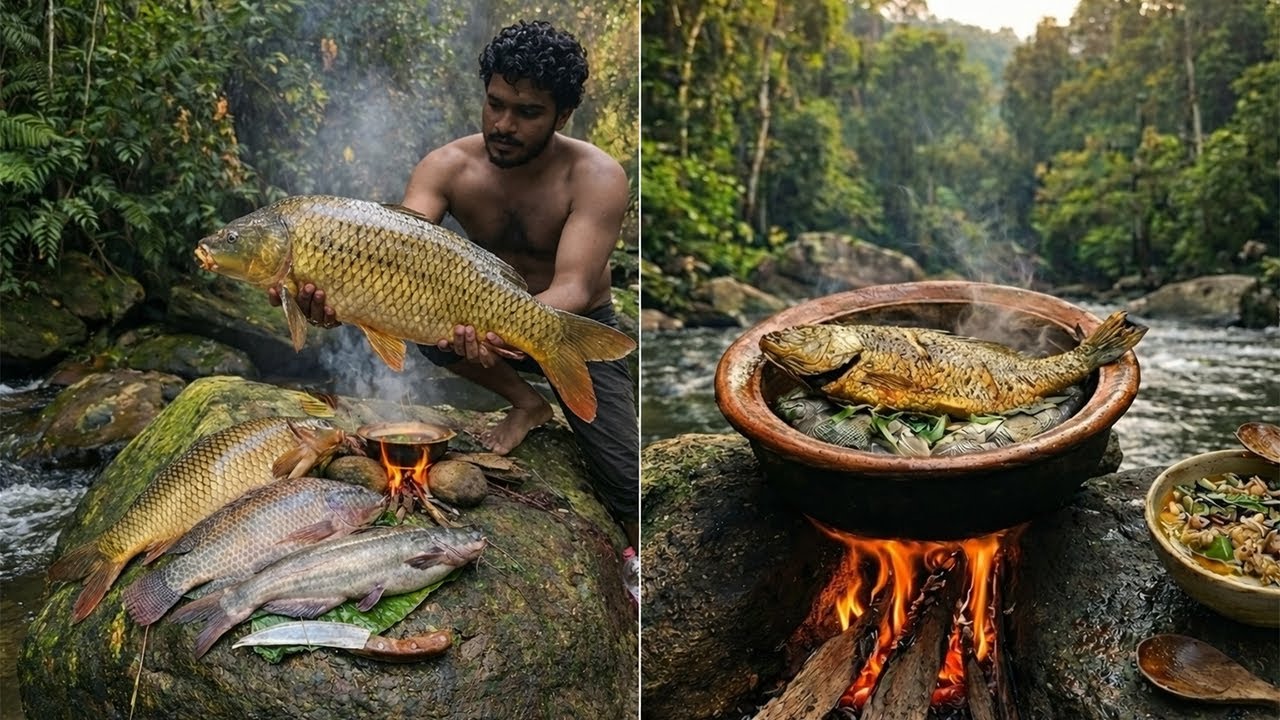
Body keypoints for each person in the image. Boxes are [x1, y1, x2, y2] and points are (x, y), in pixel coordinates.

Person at [273, 21, 639, 557]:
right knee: (424, 322)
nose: (504, 124)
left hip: (574, 325)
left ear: (562, 116)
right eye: (495, 104)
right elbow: (396, 257)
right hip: (477, 320)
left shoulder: (596, 176)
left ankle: (630, 563)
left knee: (625, 478)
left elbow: (575, 286)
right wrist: (332, 299)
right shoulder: (447, 167)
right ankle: (526, 404)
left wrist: (510, 328)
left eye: (527, 112)